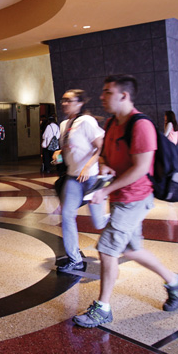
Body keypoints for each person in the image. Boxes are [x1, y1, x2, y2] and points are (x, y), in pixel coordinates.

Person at [73, 75, 178, 328]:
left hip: (135, 198)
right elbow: (105, 156)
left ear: (123, 95)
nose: (102, 96)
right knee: (131, 249)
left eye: (107, 92)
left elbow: (141, 168)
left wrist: (106, 190)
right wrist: (105, 168)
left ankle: (102, 308)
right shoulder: (114, 123)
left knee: (106, 249)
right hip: (120, 197)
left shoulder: (141, 125)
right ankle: (175, 281)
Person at [52, 89, 109, 273]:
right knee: (67, 215)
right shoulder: (63, 125)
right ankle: (74, 259)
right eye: (63, 100)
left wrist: (87, 166)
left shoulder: (87, 121)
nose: (64, 103)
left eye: (69, 100)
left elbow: (100, 147)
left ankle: (120, 222)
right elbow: (70, 148)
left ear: (79, 103)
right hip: (72, 178)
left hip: (90, 178)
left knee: (99, 223)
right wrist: (59, 154)